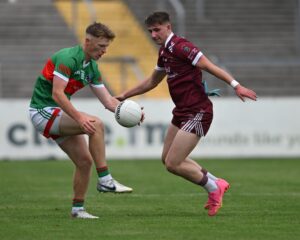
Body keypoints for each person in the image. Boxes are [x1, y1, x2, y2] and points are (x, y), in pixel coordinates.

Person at [117, 12, 257, 216]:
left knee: (174, 162)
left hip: (198, 111)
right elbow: (152, 81)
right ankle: (216, 182)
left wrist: (236, 85)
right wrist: (124, 95)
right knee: (167, 159)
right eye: (150, 31)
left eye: (157, 30)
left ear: (168, 27)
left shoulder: (182, 47)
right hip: (182, 111)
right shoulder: (164, 52)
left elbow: (209, 66)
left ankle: (213, 187)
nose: (153, 35)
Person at [29, 22, 139, 219]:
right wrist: (79, 118)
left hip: (56, 113)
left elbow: (108, 101)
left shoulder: (92, 68)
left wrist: (132, 112)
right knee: (95, 125)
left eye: (106, 47)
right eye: (101, 46)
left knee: (85, 161)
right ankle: (105, 180)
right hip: (42, 110)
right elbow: (57, 94)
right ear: (88, 41)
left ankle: (78, 210)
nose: (104, 51)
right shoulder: (68, 58)